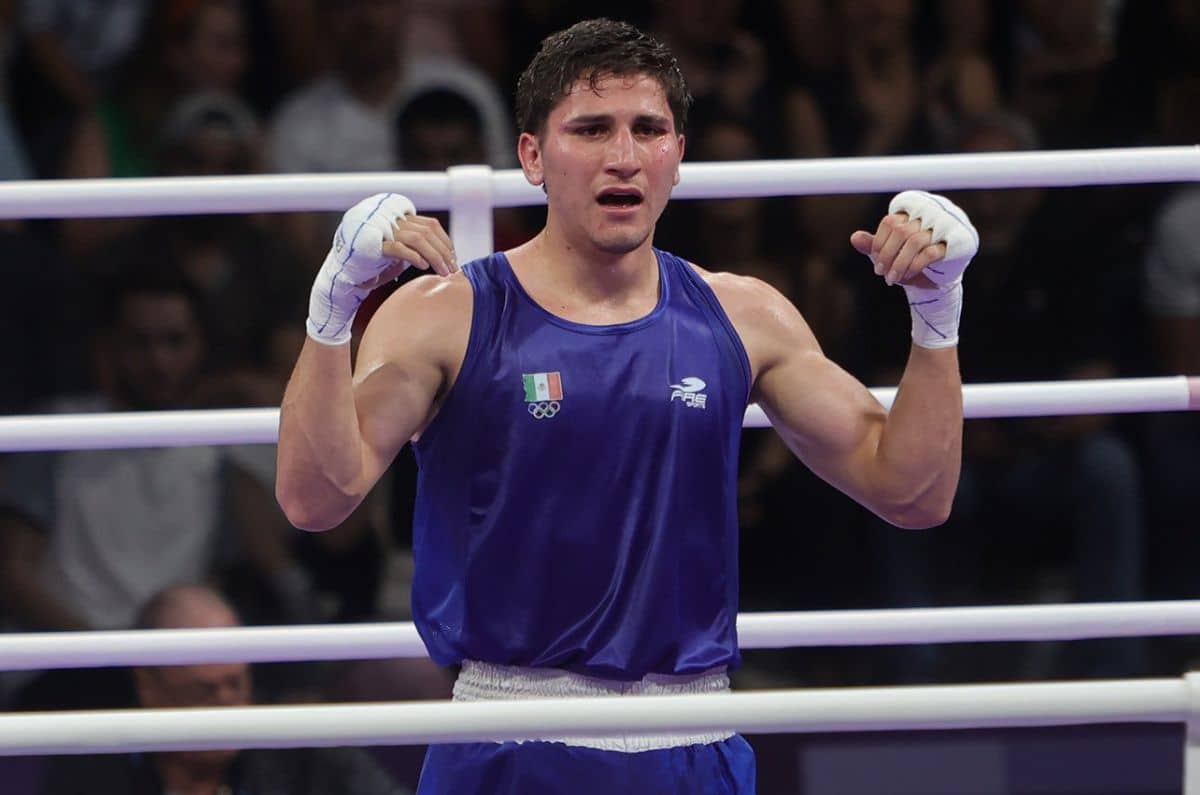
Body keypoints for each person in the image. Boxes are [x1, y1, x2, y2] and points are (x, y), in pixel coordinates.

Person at [275, 18, 977, 794]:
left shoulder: (745, 315)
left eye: (649, 129)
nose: (623, 155)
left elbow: (913, 492)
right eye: (591, 128)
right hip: (511, 737)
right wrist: (332, 311)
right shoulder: (447, 314)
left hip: (694, 740)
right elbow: (314, 497)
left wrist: (935, 317)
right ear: (532, 156)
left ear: (678, 153)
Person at [38, 583, 405, 795]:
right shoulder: (88, 774)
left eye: (236, 683)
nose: (228, 703)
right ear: (149, 688)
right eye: (204, 692)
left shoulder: (304, 753)